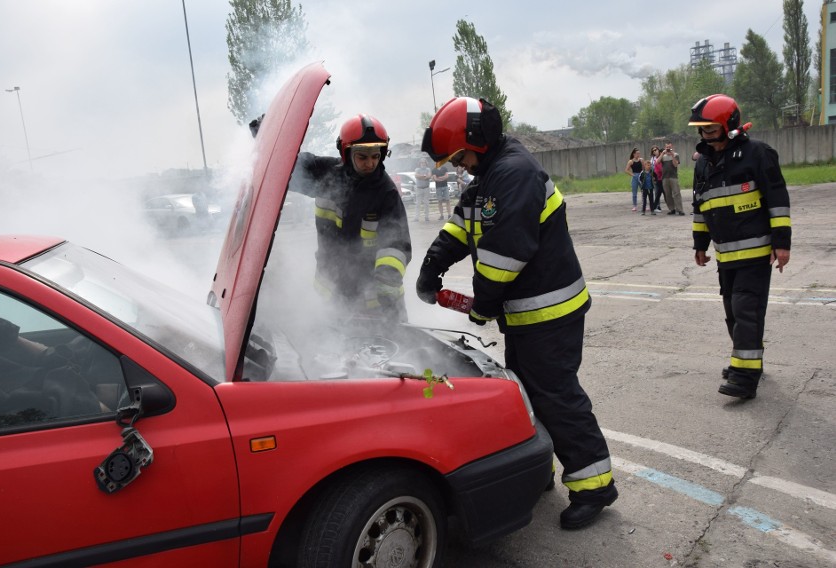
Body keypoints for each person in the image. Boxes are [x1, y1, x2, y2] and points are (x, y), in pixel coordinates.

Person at [416, 96, 618, 529]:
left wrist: (481, 308)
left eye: (460, 156)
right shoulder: (489, 175)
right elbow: (461, 226)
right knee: (529, 394)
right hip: (529, 316)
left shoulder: (514, 174)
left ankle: (595, 486)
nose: (460, 166)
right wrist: (433, 264)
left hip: (550, 314)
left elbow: (504, 255)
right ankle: (541, 467)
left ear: (479, 140)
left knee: (557, 397)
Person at [689, 94, 791, 400]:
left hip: (756, 252)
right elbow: (700, 207)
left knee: (747, 310)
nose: (705, 135)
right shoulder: (704, 164)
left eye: (710, 129)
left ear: (728, 125)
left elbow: (777, 199)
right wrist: (700, 244)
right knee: (733, 312)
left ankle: (745, 377)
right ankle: (746, 358)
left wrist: (782, 243)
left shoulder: (757, 153)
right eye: (702, 130)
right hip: (725, 256)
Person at [284, 114, 412, 321]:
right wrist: (272, 140)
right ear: (346, 153)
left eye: (376, 156)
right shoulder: (327, 176)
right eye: (362, 157)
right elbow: (289, 169)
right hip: (331, 297)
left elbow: (397, 245)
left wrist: (387, 291)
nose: (370, 163)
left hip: (376, 304)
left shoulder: (385, 192)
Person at [661, 142, 685, 215]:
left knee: (676, 193)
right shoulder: (663, 156)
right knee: (668, 194)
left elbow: (675, 165)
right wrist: (662, 153)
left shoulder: (676, 155)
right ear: (665, 148)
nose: (668, 149)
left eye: (669, 147)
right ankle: (672, 209)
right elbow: (657, 162)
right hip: (665, 177)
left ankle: (680, 209)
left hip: (673, 177)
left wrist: (672, 155)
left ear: (672, 147)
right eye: (667, 147)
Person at [649, 146, 664, 212]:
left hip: (663, 177)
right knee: (657, 192)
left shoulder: (662, 157)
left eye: (656, 150)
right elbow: (652, 169)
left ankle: (655, 206)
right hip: (657, 178)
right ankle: (656, 206)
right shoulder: (652, 159)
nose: (654, 151)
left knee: (661, 193)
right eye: (653, 150)